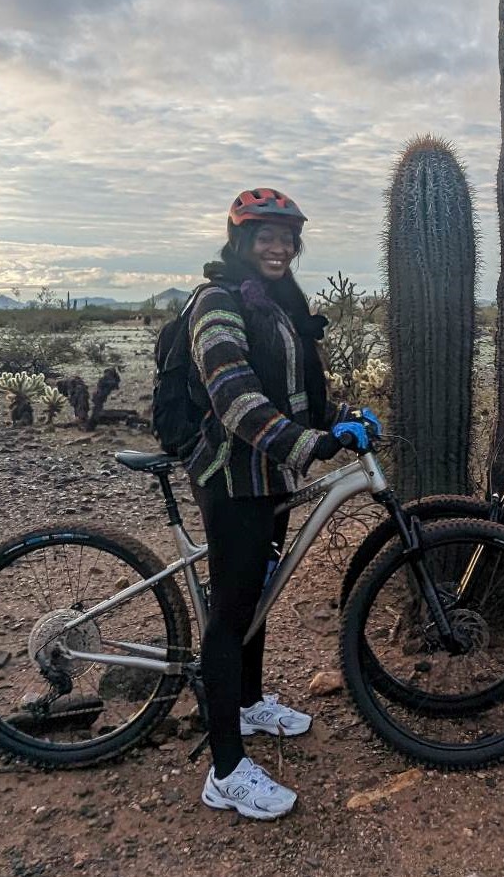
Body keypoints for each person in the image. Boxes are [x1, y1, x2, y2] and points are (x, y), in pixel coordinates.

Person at [186, 187, 345, 820]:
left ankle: (249, 706)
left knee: (257, 597)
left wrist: (341, 418)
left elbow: (291, 393)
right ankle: (224, 771)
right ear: (240, 242)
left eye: (286, 238)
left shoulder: (279, 302)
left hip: (270, 476)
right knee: (229, 614)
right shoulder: (217, 302)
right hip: (233, 479)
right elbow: (235, 397)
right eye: (264, 237)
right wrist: (310, 444)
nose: (278, 247)